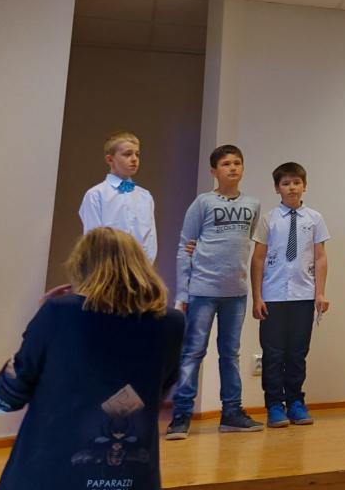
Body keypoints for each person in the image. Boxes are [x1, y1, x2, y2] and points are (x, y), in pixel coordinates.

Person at [0, 227, 183, 490]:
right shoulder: (172, 324)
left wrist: (39, 321)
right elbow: (157, 392)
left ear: (82, 266)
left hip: (50, 485)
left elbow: (3, 401)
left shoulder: (58, 313)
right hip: (127, 488)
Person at [167, 145, 262, 438]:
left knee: (230, 354)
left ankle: (231, 412)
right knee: (193, 352)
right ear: (214, 171)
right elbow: (185, 246)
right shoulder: (203, 203)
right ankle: (181, 415)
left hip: (236, 292)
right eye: (225, 164)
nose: (232, 168)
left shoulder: (253, 204)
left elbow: (245, 241)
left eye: (237, 163)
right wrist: (183, 293)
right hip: (203, 290)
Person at [250, 161, 330, 427]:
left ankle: (296, 402)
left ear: (304, 185)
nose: (292, 187)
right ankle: (274, 405)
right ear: (277, 188)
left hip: (303, 295)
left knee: (297, 353)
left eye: (296, 182)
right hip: (273, 296)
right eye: (286, 183)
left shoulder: (314, 219)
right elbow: (258, 259)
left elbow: (320, 257)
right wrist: (257, 297)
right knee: (273, 354)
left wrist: (320, 293)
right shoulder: (268, 219)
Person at [78, 131, 157, 264]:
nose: (134, 159)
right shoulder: (96, 195)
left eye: (137, 154)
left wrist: (144, 268)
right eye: (127, 154)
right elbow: (94, 240)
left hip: (139, 268)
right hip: (107, 267)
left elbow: (151, 239)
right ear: (110, 159)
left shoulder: (145, 196)